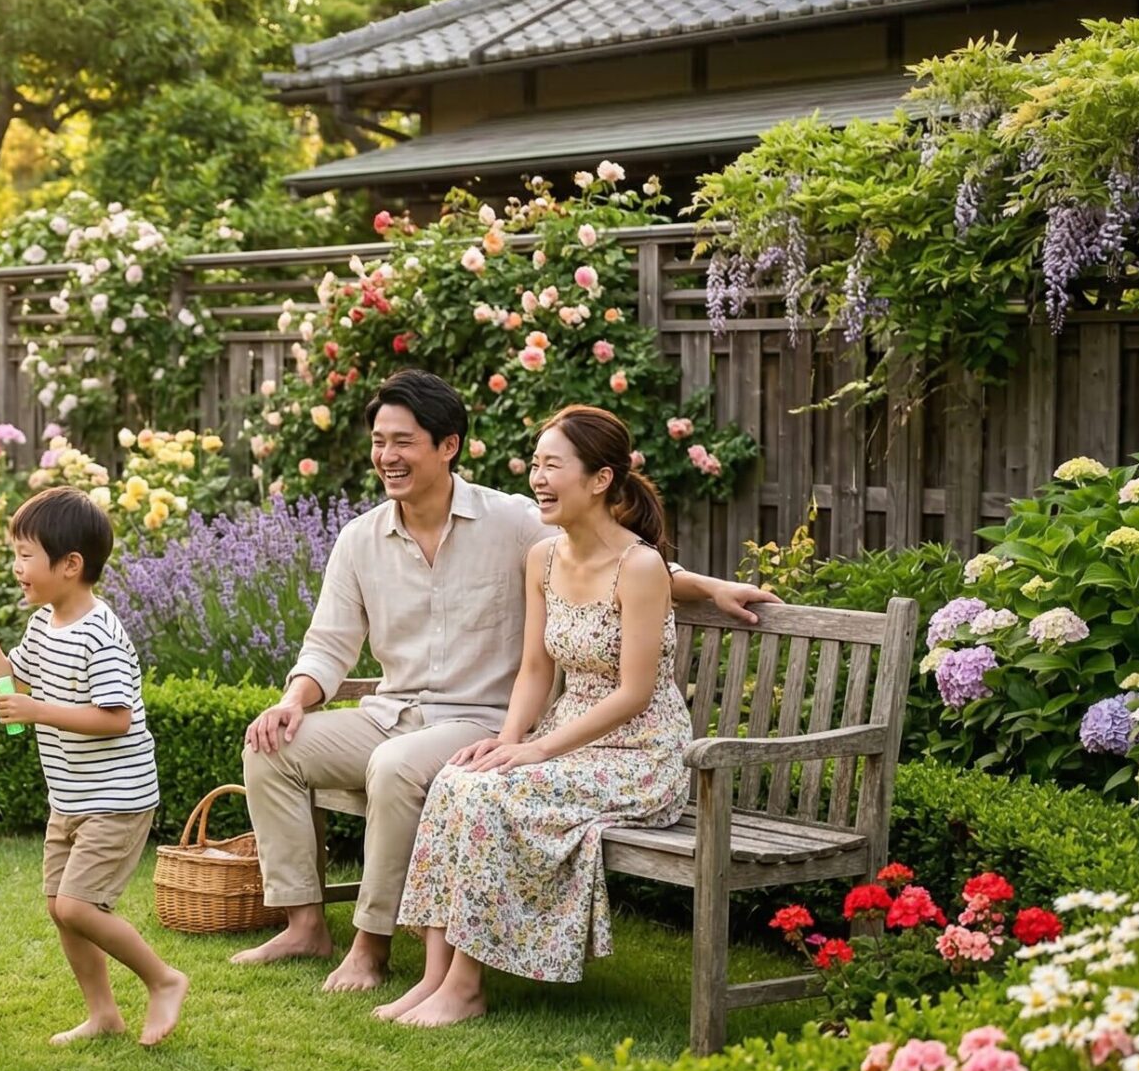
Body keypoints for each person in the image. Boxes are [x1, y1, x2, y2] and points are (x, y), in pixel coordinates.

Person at [234, 370, 774, 992]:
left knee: (396, 767)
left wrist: (705, 585)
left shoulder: (513, 520)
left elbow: (608, 554)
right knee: (270, 748)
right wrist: (293, 700)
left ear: (448, 446)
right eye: (380, 441)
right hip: (392, 713)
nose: (387, 456)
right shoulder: (360, 539)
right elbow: (328, 644)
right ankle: (306, 924)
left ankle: (371, 946)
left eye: (403, 441)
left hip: (481, 721)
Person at [383, 406, 691, 1025]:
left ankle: (466, 988)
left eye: (554, 466)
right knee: (458, 779)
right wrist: (508, 738)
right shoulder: (543, 558)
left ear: (600, 480)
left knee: (495, 795)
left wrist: (538, 752)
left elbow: (634, 693)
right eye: (536, 464)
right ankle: (436, 976)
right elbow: (535, 671)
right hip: (568, 735)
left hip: (641, 753)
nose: (538, 478)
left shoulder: (641, 567)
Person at [0, 486, 190, 1047]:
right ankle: (103, 1014)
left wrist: (37, 710)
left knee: (78, 905)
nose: (16, 567)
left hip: (117, 797)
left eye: (24, 555)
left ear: (69, 565)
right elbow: (16, 687)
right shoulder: (44, 624)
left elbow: (116, 718)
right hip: (70, 796)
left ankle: (164, 979)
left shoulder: (99, 633)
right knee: (61, 910)